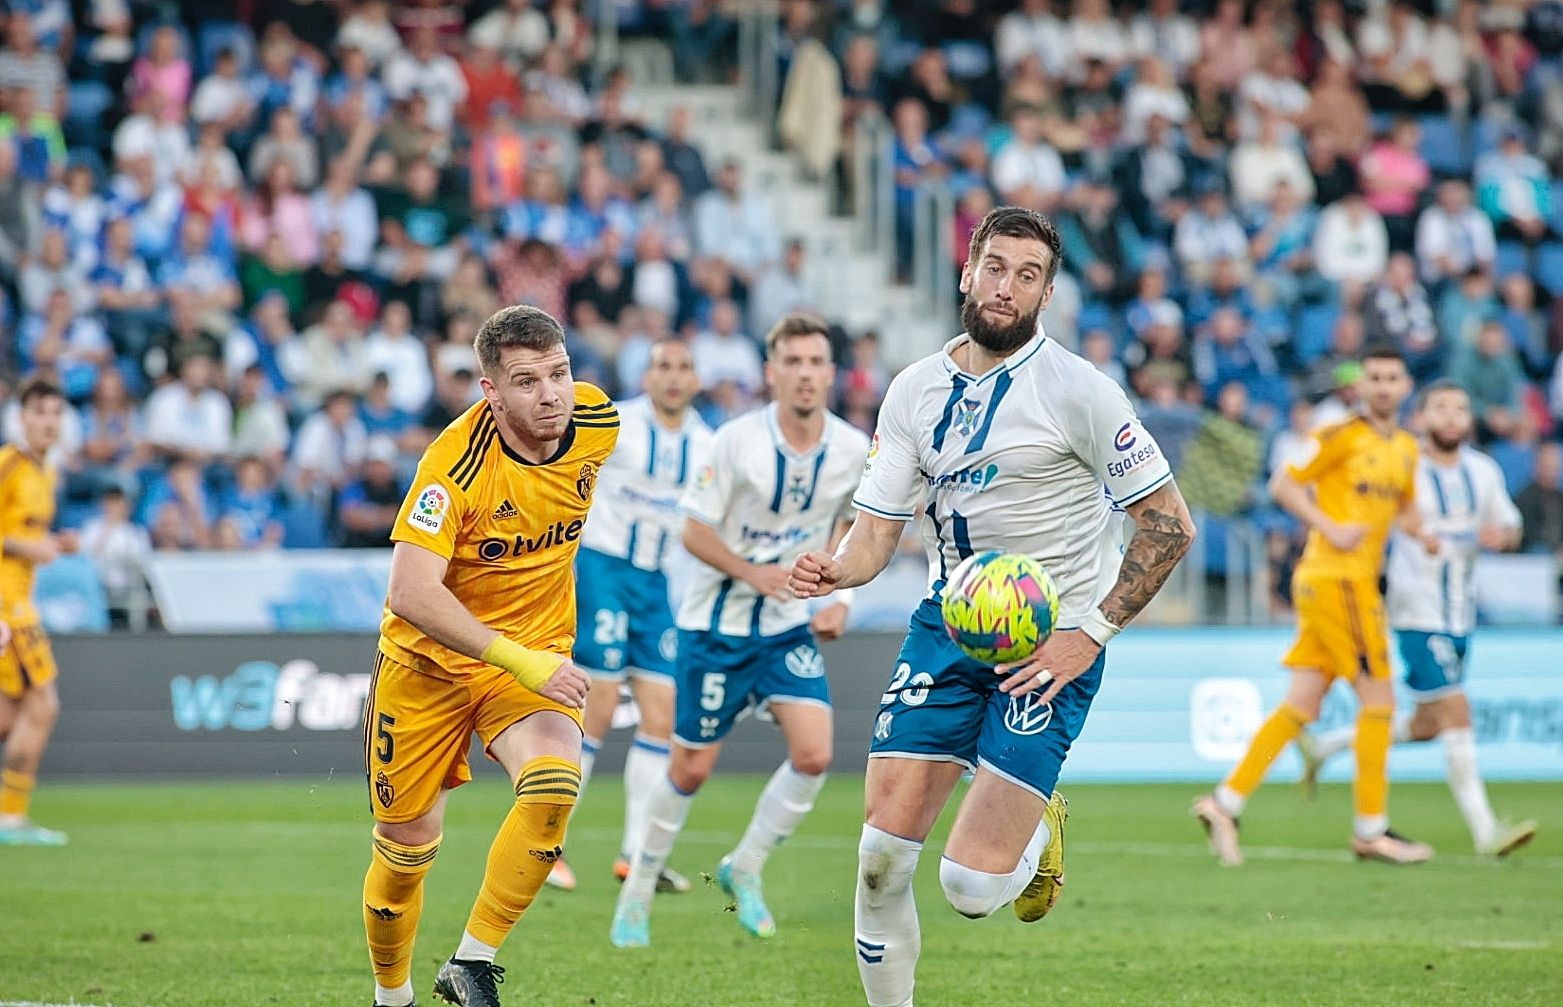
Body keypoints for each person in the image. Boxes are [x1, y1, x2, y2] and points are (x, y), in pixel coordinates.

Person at [788, 207, 1196, 1007]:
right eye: (996, 267)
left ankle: (1040, 827)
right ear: (966, 271)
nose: (1006, 286)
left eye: (1028, 274)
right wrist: (835, 571)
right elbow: (874, 537)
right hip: (947, 628)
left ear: (1045, 295)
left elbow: (1168, 526)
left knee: (970, 889)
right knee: (878, 857)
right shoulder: (911, 390)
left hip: (1049, 646)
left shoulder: (1080, 390)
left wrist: (1091, 634)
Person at [359, 305, 616, 1007]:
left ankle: (471, 961)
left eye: (559, 373)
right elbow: (410, 590)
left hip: (527, 659)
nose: (552, 394)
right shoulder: (455, 464)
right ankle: (393, 997)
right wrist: (521, 659)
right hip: (427, 669)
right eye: (527, 381)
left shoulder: (598, 423)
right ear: (490, 392)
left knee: (555, 783)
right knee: (405, 850)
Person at [609, 313, 868, 948]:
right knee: (691, 769)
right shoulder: (733, 442)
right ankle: (638, 892)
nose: (805, 374)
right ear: (770, 372)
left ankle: (744, 868)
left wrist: (844, 595)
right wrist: (753, 572)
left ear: (831, 374)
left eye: (816, 362)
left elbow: (857, 527)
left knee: (815, 754)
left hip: (785, 628)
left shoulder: (852, 450)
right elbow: (692, 528)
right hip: (713, 628)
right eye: (793, 362)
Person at [1194, 344, 1440, 866]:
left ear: (1405, 387)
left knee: (1301, 705)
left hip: (1338, 585)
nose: (1382, 385)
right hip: (1339, 580)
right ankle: (1371, 830)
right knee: (1380, 701)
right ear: (1362, 386)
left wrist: (1433, 536)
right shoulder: (1338, 436)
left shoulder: (1406, 450)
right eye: (1374, 376)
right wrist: (1328, 527)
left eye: (1392, 377)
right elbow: (1284, 483)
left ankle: (1224, 802)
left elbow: (1407, 513)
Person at [1297, 383, 1536, 857]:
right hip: (1414, 610)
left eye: (1461, 409)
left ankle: (1325, 746)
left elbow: (1510, 525)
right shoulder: (1404, 462)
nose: (1451, 417)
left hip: (1459, 613)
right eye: (1441, 409)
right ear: (1423, 417)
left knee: (1429, 723)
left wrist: (1502, 536)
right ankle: (1486, 831)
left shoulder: (1483, 471)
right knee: (1456, 710)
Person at [560, 338, 712, 893]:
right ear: (646, 377)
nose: (673, 377)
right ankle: (548, 845)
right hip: (603, 571)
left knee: (662, 711)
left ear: (696, 379)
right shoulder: (614, 423)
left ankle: (635, 857)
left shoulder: (707, 444)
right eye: (663, 366)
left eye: (684, 366)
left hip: (657, 586)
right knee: (597, 702)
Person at [0, 378, 77, 846]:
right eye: (40, 412)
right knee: (44, 703)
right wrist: (29, 546)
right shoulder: (8, 464)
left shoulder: (46, 471)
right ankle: (10, 819)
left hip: (19, 600)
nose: (49, 422)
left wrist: (55, 545)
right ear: (23, 416)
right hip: (8, 605)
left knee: (9, 716)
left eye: (56, 413)